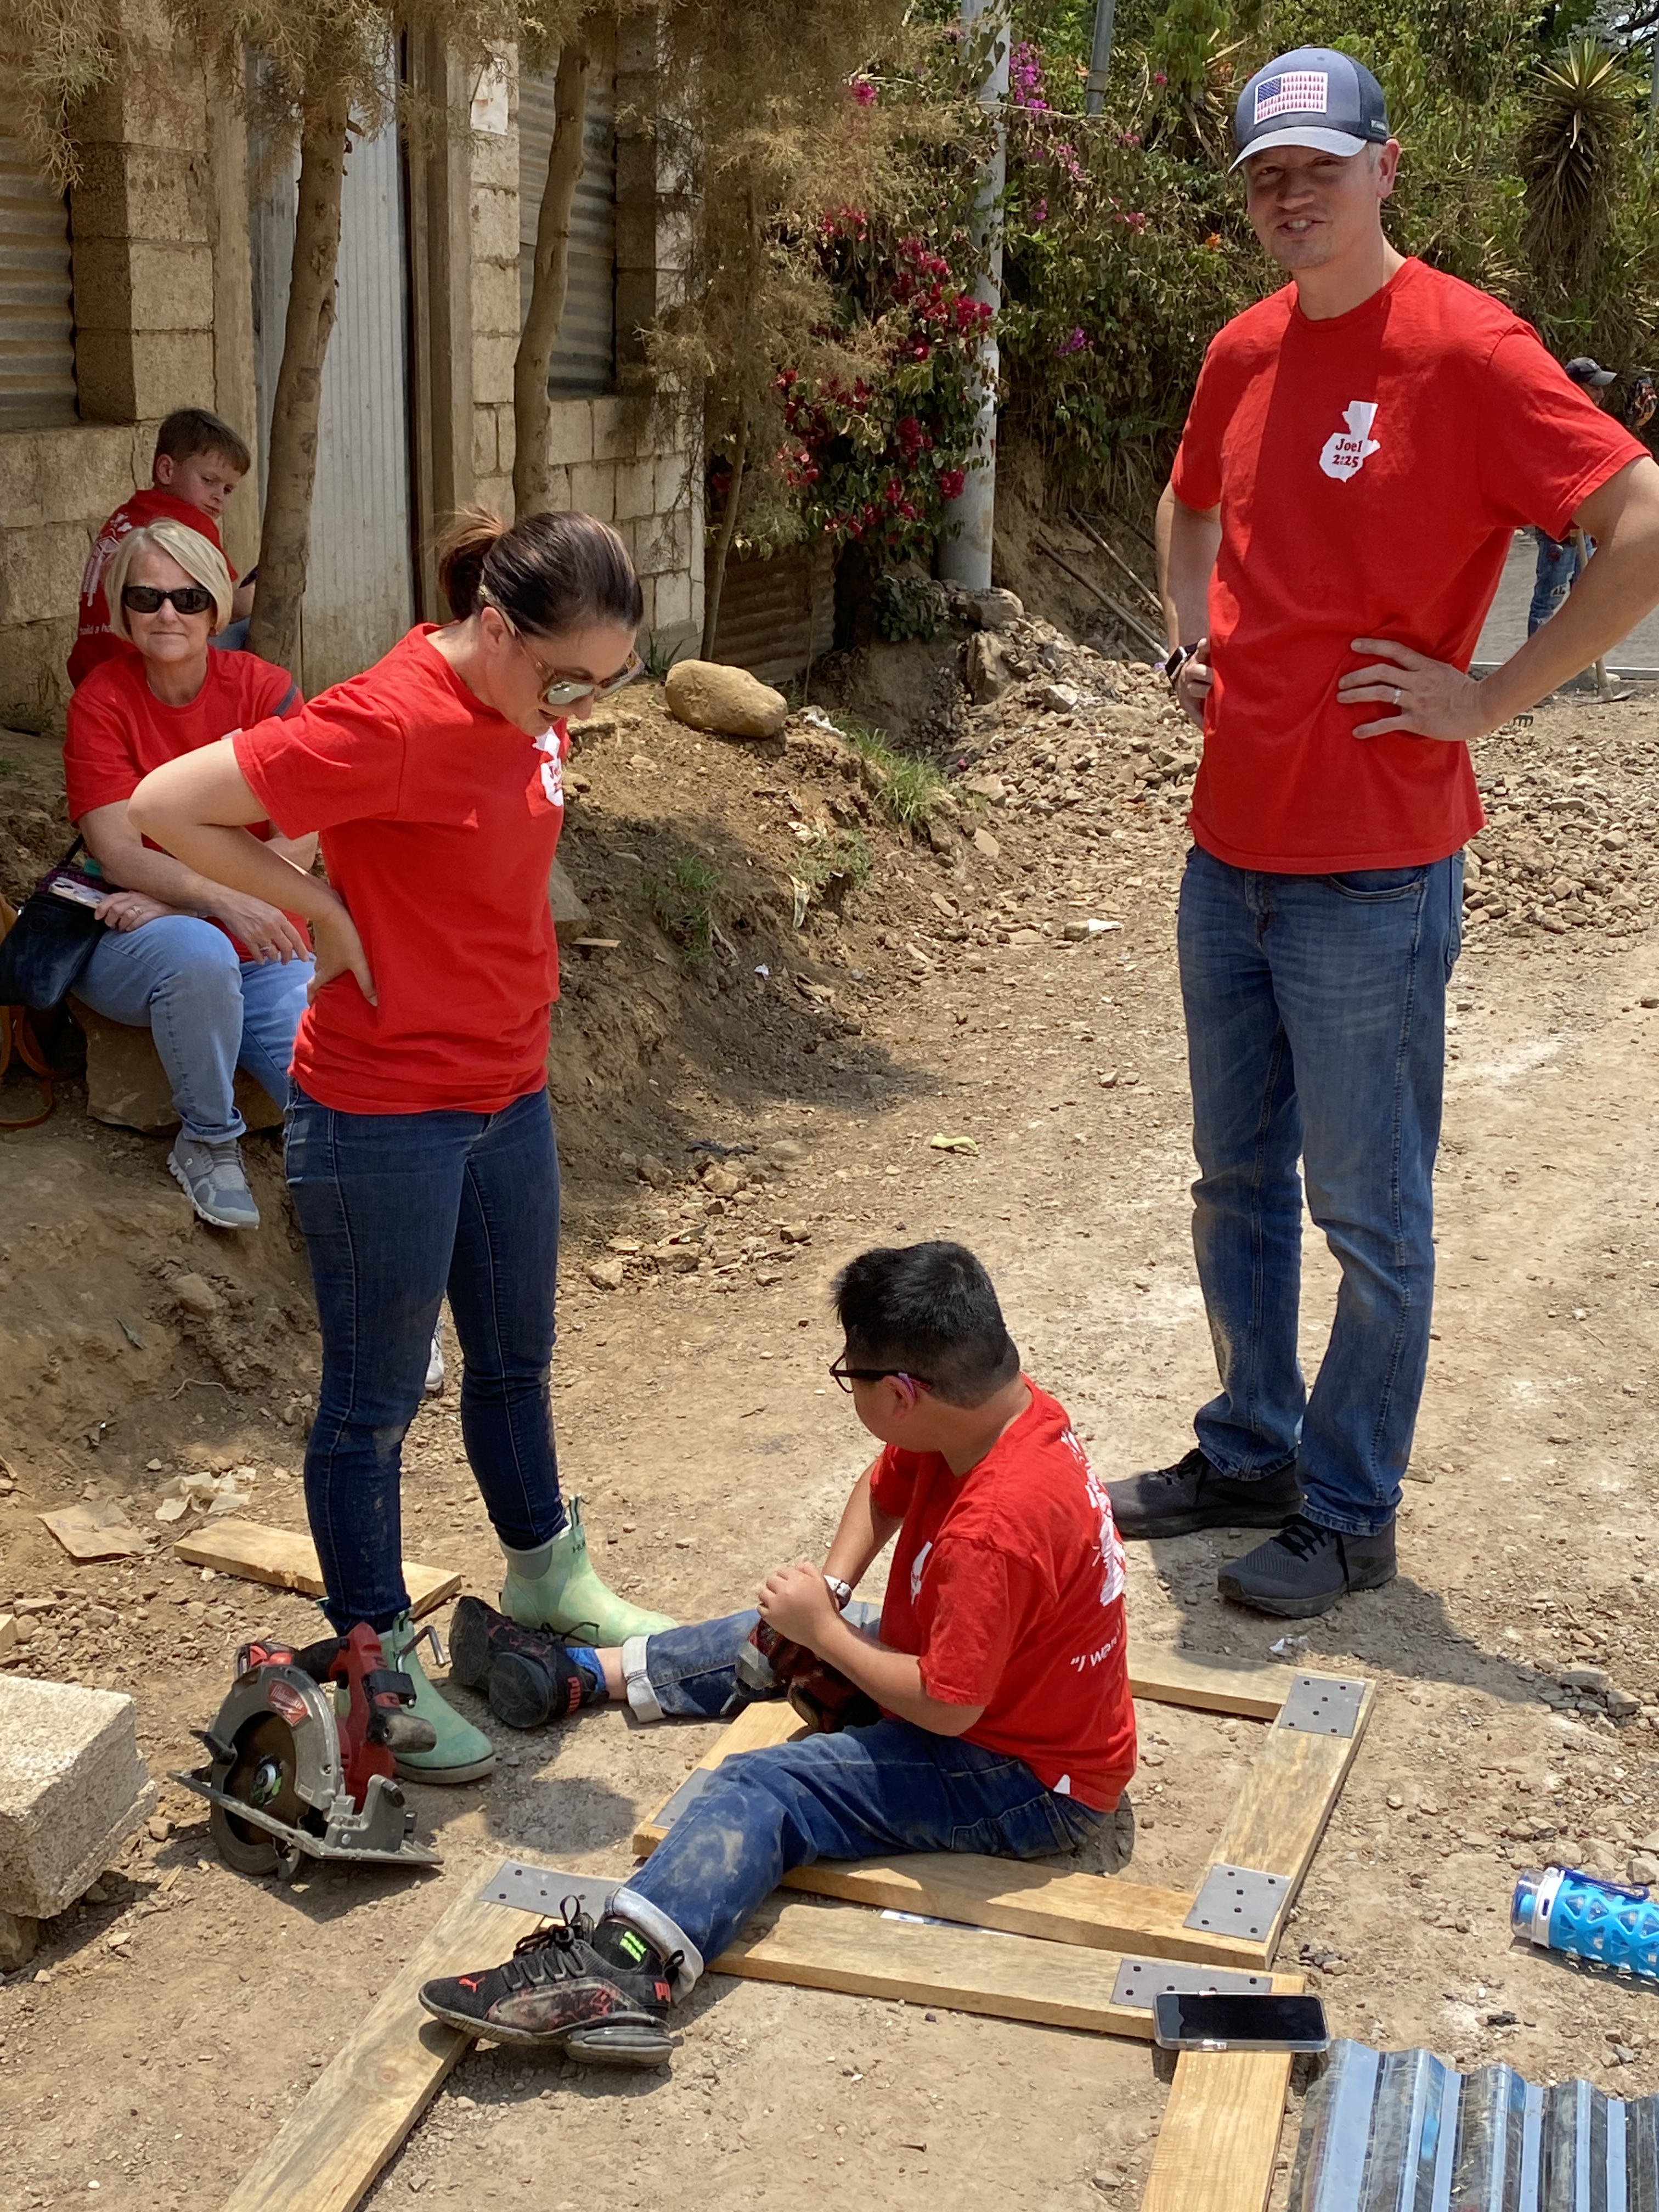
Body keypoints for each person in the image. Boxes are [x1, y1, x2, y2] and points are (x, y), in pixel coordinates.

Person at [1114, 47, 1659, 1618]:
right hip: (1229, 853)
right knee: (1234, 1182)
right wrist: (1187, 637)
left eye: (1320, 168)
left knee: (1367, 1214)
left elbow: (1637, 521)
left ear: (1385, 168)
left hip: (1372, 870)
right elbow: (1190, 502)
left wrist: (1491, 696)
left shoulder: (1471, 351)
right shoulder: (1244, 350)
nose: (1291, 198)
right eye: (1266, 177)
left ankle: (1351, 1510)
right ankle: (1252, 1451)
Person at [127, 506, 672, 1785]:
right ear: (498, 628)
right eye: (569, 680)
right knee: (373, 1409)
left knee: (515, 1362)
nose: (581, 708)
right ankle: (378, 1670)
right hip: (383, 1111)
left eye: (606, 680)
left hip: (508, 1092)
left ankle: (546, 1575)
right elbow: (165, 806)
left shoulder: (526, 704)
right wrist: (315, 907)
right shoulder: (386, 722)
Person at [417, 1242, 1137, 2064]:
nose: (848, 1386)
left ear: (902, 1394)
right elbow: (884, 1488)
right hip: (1017, 1708)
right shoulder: (996, 1419)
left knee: (767, 1787)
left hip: (1024, 1779)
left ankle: (626, 1968)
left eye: (850, 1376)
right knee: (783, 1621)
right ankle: (580, 1674)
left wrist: (828, 1636)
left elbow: (949, 1705)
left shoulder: (996, 1529)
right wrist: (828, 1597)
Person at [65, 520, 312, 1229]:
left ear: (215, 607)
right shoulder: (102, 701)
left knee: (330, 1090)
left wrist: (190, 901)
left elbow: (300, 842)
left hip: (257, 940)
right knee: (197, 953)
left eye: (189, 596)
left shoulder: (266, 693)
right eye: (147, 597)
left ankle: (343, 1196)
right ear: (123, 608)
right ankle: (208, 1139)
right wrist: (211, 905)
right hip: (137, 940)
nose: (168, 613)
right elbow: (118, 851)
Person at [70, 408, 256, 687]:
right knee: (253, 627)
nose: (218, 496)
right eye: (209, 481)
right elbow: (226, 609)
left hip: (91, 670)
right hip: (145, 665)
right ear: (167, 470)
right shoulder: (190, 523)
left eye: (228, 490)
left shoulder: (124, 516)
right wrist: (257, 594)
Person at [1526, 358, 1618, 634]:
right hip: (1561, 531)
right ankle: (1539, 660)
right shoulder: (1556, 422)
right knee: (1548, 602)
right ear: (1576, 388)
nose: (1600, 394)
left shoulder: (1591, 422)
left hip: (1585, 529)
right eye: (1594, 387)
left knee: (1586, 600)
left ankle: (1584, 658)